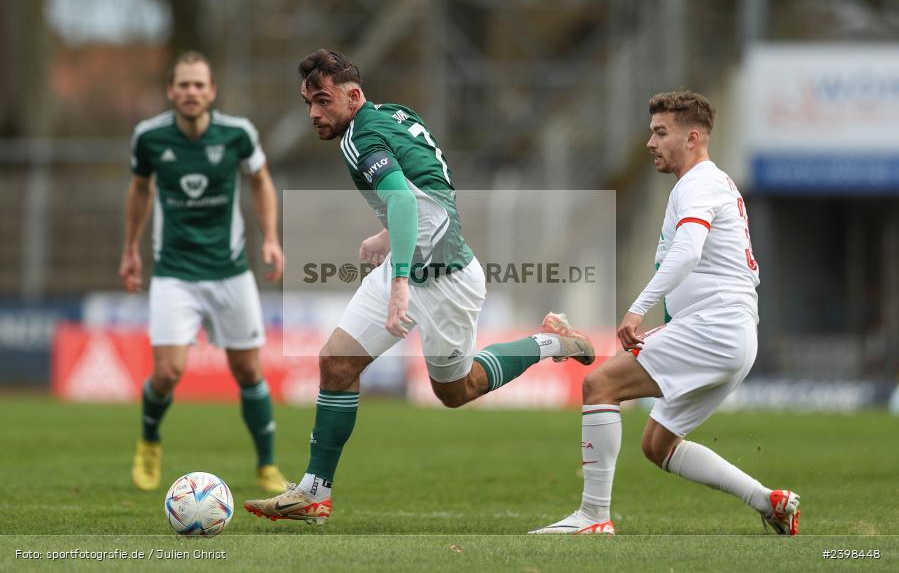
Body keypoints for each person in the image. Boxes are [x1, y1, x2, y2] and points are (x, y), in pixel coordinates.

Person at [243, 48, 594, 525]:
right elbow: (431, 191)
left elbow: (408, 205)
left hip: (445, 281)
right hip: (413, 263)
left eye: (323, 101)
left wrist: (401, 280)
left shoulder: (359, 140)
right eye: (308, 103)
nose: (314, 114)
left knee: (456, 390)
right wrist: (386, 239)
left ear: (354, 96)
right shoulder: (395, 115)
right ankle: (314, 493)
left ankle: (551, 340)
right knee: (337, 362)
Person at [531, 91, 800, 536]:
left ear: (692, 137)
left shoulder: (697, 183)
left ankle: (593, 517)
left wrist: (636, 309)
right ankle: (767, 501)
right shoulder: (715, 182)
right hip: (731, 333)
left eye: (660, 132)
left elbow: (689, 252)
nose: (650, 142)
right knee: (658, 444)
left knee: (600, 384)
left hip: (716, 328)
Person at [120, 51, 288, 493]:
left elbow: (261, 180)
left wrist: (270, 237)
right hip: (174, 272)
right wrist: (130, 249)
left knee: (249, 370)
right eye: (184, 85)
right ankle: (150, 442)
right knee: (167, 374)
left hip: (230, 271)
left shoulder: (237, 134)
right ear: (171, 90)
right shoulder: (149, 138)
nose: (191, 92)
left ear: (212, 92)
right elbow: (139, 190)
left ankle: (267, 465)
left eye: (199, 85)